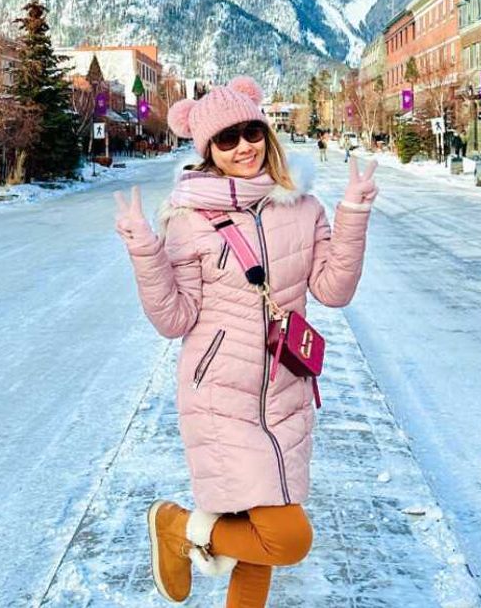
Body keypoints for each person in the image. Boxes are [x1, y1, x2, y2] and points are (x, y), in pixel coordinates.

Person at [112, 76, 379, 608]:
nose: (243, 147)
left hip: (285, 395)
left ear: (267, 132)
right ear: (208, 150)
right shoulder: (189, 221)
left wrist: (353, 213)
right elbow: (174, 317)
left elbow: (332, 290)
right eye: (226, 139)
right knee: (287, 537)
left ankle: (182, 531)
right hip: (221, 396)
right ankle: (176, 526)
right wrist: (145, 251)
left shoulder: (303, 208)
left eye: (251, 131)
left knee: (257, 544)